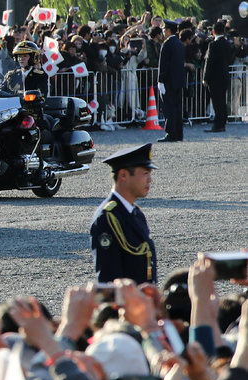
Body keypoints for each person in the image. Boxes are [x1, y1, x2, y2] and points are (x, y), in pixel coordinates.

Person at [90, 143, 158, 284]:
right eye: (145, 173)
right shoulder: (107, 218)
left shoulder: (136, 214)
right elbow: (108, 280)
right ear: (123, 175)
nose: (149, 180)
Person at [157, 20, 186, 142]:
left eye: (164, 29)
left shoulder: (167, 44)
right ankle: (178, 133)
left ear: (168, 31)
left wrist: (161, 80)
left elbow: (164, 65)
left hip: (168, 81)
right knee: (177, 108)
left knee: (168, 108)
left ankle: (170, 133)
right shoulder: (179, 43)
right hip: (178, 81)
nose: (163, 32)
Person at [202, 21, 232, 133]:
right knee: (222, 100)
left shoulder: (213, 45)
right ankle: (222, 122)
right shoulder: (227, 43)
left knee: (216, 101)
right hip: (224, 75)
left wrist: (205, 77)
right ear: (224, 31)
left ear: (213, 31)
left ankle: (218, 124)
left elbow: (209, 62)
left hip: (215, 77)